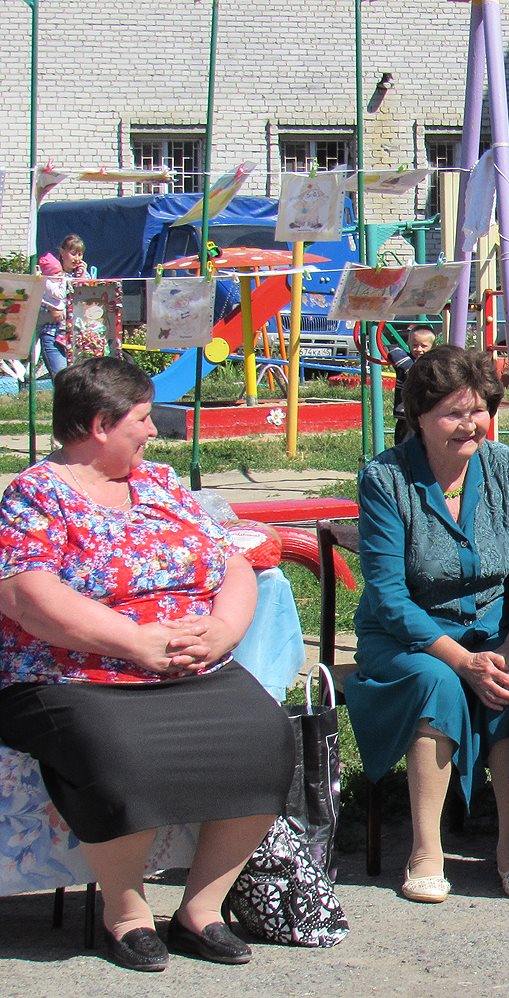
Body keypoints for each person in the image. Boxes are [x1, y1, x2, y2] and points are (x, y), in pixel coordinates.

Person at [0, 356, 294, 972]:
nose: (154, 430)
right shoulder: (34, 494)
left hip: (188, 666)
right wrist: (135, 643)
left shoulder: (159, 482)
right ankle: (126, 914)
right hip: (73, 674)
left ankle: (200, 910)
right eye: (142, 418)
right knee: (120, 753)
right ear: (100, 425)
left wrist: (223, 630)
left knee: (265, 737)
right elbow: (31, 598)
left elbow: (231, 561)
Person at [345, 345, 509, 902]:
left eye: (479, 409)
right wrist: (461, 660)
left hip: (495, 633)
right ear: (418, 416)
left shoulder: (505, 467)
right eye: (453, 413)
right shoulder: (385, 479)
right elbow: (388, 595)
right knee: (437, 682)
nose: (470, 424)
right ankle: (425, 849)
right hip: (407, 639)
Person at [35, 233, 87, 376]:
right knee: (61, 377)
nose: (77, 258)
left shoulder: (84, 275)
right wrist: (50, 311)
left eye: (80, 254)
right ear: (62, 252)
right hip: (53, 334)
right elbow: (37, 300)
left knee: (79, 380)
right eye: (73, 253)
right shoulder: (51, 274)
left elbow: (89, 302)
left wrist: (82, 278)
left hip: (76, 336)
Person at [391, 324, 437, 444]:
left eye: (424, 346)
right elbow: (394, 352)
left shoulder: (433, 363)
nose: (419, 349)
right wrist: (411, 370)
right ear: (409, 344)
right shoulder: (406, 359)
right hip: (405, 414)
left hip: (426, 413)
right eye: (415, 345)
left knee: (425, 444)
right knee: (403, 444)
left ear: (432, 347)